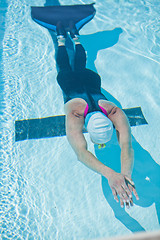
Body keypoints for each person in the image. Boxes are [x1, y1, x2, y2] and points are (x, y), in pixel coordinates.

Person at [55, 22, 139, 208]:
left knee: (80, 66)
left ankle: (74, 39)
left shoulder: (111, 111)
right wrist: (112, 174)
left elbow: (126, 146)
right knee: (66, 68)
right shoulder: (78, 114)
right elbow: (82, 153)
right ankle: (63, 39)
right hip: (70, 83)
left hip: (91, 80)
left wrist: (125, 174)